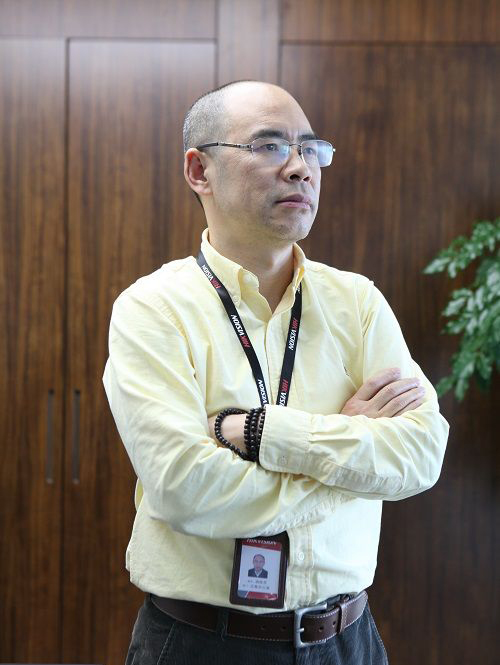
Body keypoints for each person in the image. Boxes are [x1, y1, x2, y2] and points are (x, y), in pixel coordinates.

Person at [102, 79, 450, 665]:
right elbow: (187, 489)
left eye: (310, 149)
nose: (300, 168)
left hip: (347, 641)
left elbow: (420, 455)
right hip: (200, 644)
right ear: (199, 170)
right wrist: (348, 455)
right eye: (269, 146)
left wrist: (262, 434)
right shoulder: (152, 308)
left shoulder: (358, 303)